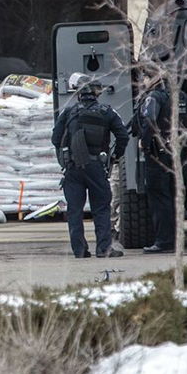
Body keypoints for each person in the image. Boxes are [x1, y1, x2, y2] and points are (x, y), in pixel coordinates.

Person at [52, 74, 130, 258]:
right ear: (96, 93)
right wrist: (115, 156)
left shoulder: (68, 112)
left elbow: (55, 138)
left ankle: (79, 250)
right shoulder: (107, 112)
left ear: (78, 93)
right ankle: (104, 249)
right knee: (101, 208)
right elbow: (123, 136)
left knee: (75, 210)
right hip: (96, 166)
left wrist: (65, 157)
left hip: (73, 168)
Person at [135, 78, 187, 254]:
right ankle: (176, 238)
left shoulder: (154, 97)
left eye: (146, 77)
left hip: (158, 155)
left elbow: (150, 120)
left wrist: (144, 144)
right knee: (175, 195)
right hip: (177, 154)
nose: (143, 80)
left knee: (160, 198)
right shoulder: (181, 96)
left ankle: (164, 241)